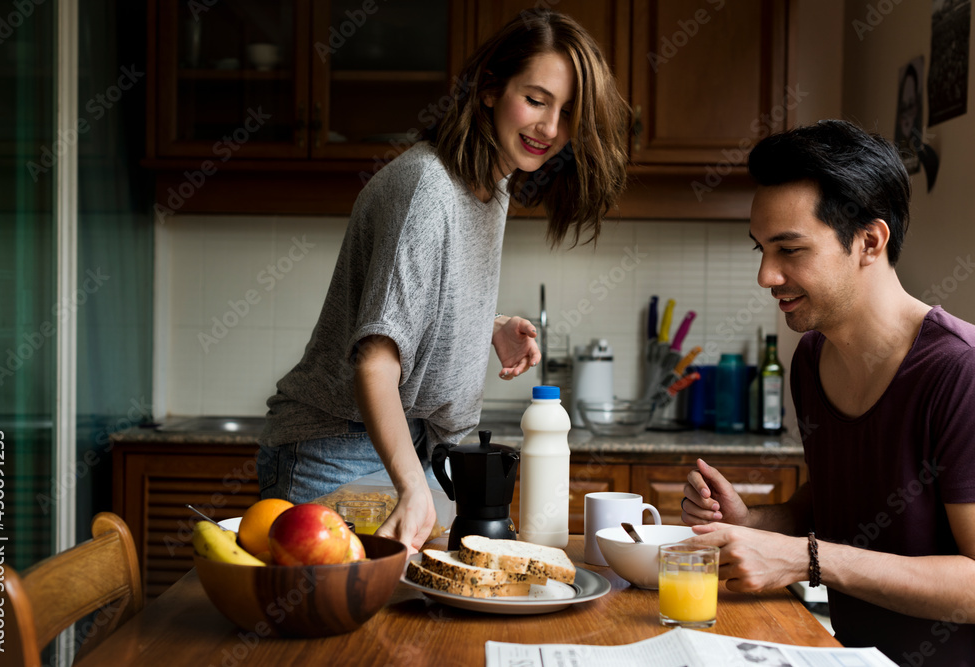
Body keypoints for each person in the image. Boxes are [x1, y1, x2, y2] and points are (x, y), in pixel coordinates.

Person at [256, 10, 628, 554]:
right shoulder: (428, 189)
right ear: (490, 89)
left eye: (568, 112)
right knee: (348, 629)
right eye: (536, 99)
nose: (550, 129)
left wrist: (487, 326)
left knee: (430, 614)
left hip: (404, 442)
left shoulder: (490, 185)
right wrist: (411, 485)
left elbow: (413, 305)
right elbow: (375, 361)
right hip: (335, 448)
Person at [681, 120, 975, 665]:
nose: (767, 275)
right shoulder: (812, 358)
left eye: (789, 249)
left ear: (869, 241)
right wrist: (754, 525)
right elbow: (838, 503)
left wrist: (806, 559)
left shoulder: (961, 373)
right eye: (762, 249)